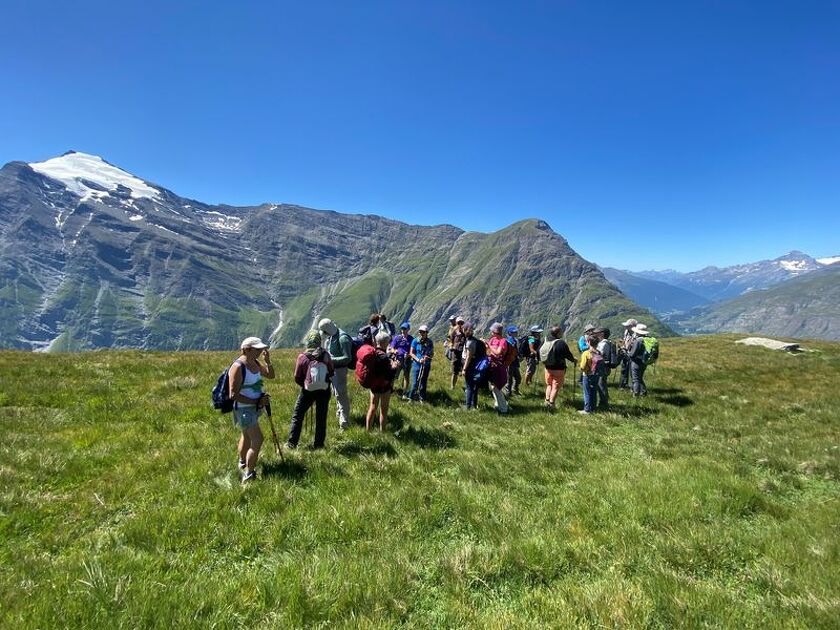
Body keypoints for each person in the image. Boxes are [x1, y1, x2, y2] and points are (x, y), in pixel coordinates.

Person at [228, 336, 276, 483]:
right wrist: (257, 401)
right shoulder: (238, 367)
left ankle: (242, 462)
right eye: (257, 349)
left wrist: (268, 362)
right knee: (258, 438)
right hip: (244, 409)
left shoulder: (254, 362)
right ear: (246, 350)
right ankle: (249, 474)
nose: (261, 351)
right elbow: (233, 395)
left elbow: (270, 375)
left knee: (247, 435)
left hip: (254, 406)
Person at [287, 331, 334, 449]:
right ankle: (319, 445)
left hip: (307, 391)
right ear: (319, 341)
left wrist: (306, 384)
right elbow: (331, 372)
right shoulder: (326, 355)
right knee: (321, 417)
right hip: (324, 390)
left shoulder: (302, 357)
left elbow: (297, 377)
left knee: (298, 415)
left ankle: (292, 443)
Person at [318, 318, 353, 431]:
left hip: (340, 371)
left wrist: (330, 360)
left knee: (341, 395)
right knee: (336, 393)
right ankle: (340, 415)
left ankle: (344, 423)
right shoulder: (333, 335)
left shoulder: (343, 338)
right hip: (333, 371)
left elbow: (347, 358)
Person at [366, 331, 400, 431]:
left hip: (373, 385)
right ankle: (382, 432)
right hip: (384, 387)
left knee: (372, 408)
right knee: (383, 410)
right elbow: (389, 376)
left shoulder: (373, 353)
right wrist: (394, 367)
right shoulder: (384, 357)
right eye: (388, 342)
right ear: (384, 343)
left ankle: (368, 431)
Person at [540, 325, 576, 409]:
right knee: (555, 386)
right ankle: (551, 404)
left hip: (548, 367)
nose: (562, 333)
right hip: (558, 368)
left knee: (549, 385)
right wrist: (573, 360)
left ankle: (547, 400)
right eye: (561, 332)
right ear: (558, 333)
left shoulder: (545, 341)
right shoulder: (561, 343)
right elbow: (568, 355)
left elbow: (539, 351)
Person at [460, 322, 485, 410]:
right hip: (477, 367)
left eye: (464, 329)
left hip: (470, 367)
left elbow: (468, 357)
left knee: (469, 386)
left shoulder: (470, 342)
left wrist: (464, 369)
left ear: (465, 330)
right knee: (475, 386)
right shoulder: (474, 340)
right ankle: (474, 405)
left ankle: (467, 407)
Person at [486, 322, 510, 414]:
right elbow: (489, 351)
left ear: (495, 331)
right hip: (492, 366)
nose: (491, 332)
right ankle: (498, 405)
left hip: (499, 367)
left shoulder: (503, 341)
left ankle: (504, 409)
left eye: (492, 330)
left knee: (497, 388)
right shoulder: (492, 339)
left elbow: (498, 352)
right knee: (493, 387)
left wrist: (489, 345)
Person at [407, 325, 434, 402]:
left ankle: (422, 398)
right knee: (415, 382)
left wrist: (427, 357)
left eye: (423, 332)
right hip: (416, 363)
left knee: (423, 382)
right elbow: (411, 353)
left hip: (426, 364)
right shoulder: (415, 341)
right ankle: (411, 397)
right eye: (420, 332)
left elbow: (431, 353)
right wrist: (418, 360)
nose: (421, 333)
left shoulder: (430, 342)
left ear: (426, 333)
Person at [388, 322, 414, 393]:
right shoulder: (397, 338)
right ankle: (390, 390)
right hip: (398, 358)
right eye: (402, 328)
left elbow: (413, 350)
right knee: (394, 375)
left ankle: (404, 392)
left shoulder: (411, 339)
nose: (403, 330)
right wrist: (394, 351)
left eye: (404, 328)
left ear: (408, 329)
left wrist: (409, 355)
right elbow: (391, 347)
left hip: (407, 359)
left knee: (406, 375)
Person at [591, 327, 612, 411]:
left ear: (602, 334)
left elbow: (600, 355)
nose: (595, 334)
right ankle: (603, 401)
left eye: (597, 333)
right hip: (602, 366)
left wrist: (592, 351)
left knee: (601, 384)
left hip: (602, 367)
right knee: (601, 384)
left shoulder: (604, 344)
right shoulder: (604, 343)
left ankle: (603, 403)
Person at [627, 325, 650, 397]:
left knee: (635, 379)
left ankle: (636, 394)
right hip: (644, 361)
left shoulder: (638, 340)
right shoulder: (648, 339)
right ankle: (643, 392)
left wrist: (628, 353)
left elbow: (632, 354)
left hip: (636, 361)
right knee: (640, 377)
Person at [578, 339, 600, 415]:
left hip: (587, 375)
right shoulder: (598, 352)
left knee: (587, 392)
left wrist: (580, 368)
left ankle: (587, 410)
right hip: (596, 374)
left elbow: (583, 366)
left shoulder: (586, 353)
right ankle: (593, 408)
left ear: (589, 342)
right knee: (594, 391)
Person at [618, 318, 638, 389]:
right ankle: (623, 384)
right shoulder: (626, 331)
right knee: (624, 369)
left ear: (632, 326)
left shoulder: (636, 334)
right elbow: (625, 340)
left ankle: (633, 387)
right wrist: (623, 344)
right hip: (625, 353)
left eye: (627, 325)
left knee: (632, 371)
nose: (625, 327)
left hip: (632, 355)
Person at [448, 317, 466, 389]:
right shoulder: (454, 330)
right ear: (456, 323)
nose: (460, 324)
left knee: (465, 369)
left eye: (462, 323)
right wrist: (451, 346)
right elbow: (450, 339)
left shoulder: (465, 331)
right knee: (455, 370)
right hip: (455, 352)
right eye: (459, 323)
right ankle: (452, 386)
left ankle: (466, 386)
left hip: (464, 353)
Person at [504, 325, 522, 397]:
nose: (516, 333)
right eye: (514, 332)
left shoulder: (514, 340)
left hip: (513, 361)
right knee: (511, 378)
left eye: (516, 331)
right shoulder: (509, 340)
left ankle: (512, 390)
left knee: (515, 377)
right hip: (510, 362)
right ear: (510, 333)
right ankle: (509, 392)